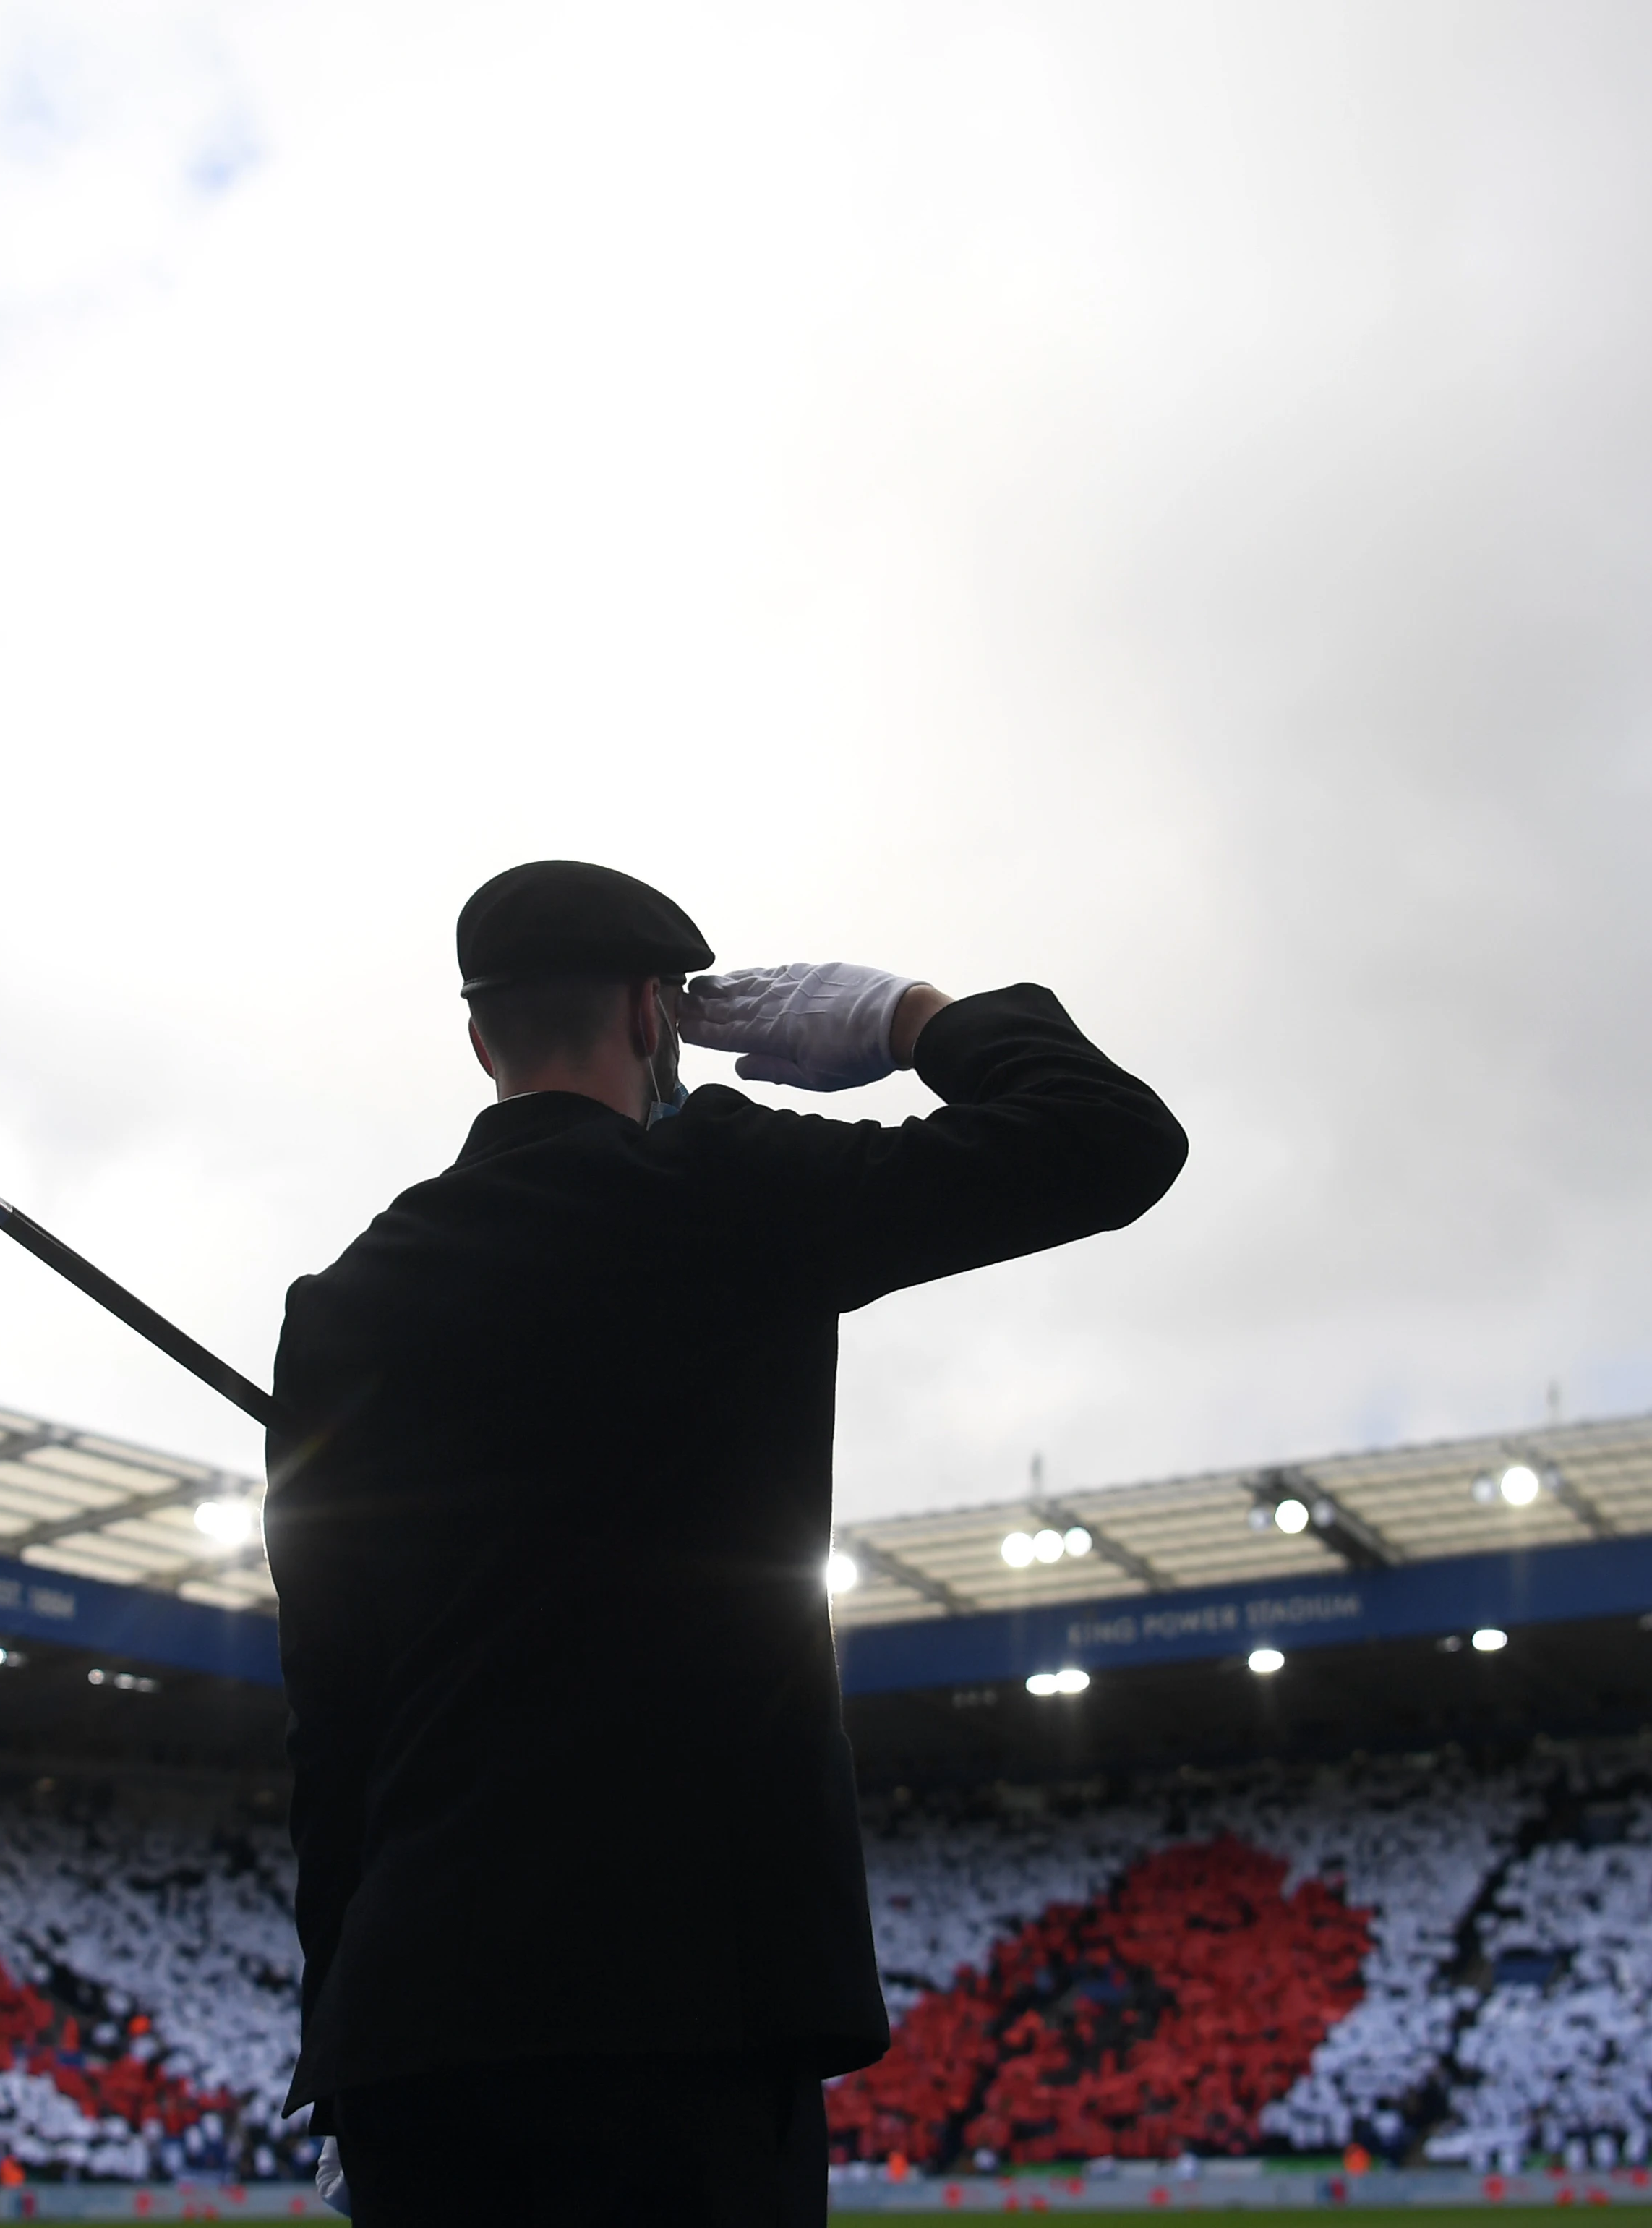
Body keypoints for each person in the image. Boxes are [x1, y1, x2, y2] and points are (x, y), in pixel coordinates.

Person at [265, 861, 1188, 2226]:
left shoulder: (339, 1302)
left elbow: (331, 1721)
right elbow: (1111, 1140)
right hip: (683, 2016)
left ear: (480, 1041)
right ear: (655, 1019)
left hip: (417, 2030)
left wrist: (339, 2048)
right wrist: (906, 1018)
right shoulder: (721, 1182)